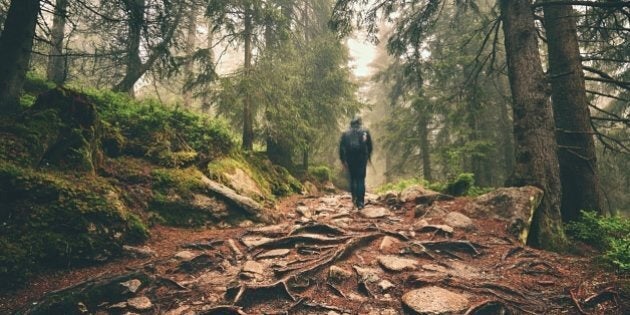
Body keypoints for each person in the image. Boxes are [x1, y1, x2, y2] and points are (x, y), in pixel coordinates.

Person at [339, 115, 372, 209]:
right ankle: (361, 202)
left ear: (351, 123)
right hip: (362, 158)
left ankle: (354, 198)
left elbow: (342, 148)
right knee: (361, 179)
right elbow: (369, 146)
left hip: (350, 158)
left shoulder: (345, 133)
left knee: (353, 178)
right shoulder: (365, 132)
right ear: (359, 123)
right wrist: (368, 156)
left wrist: (343, 160)